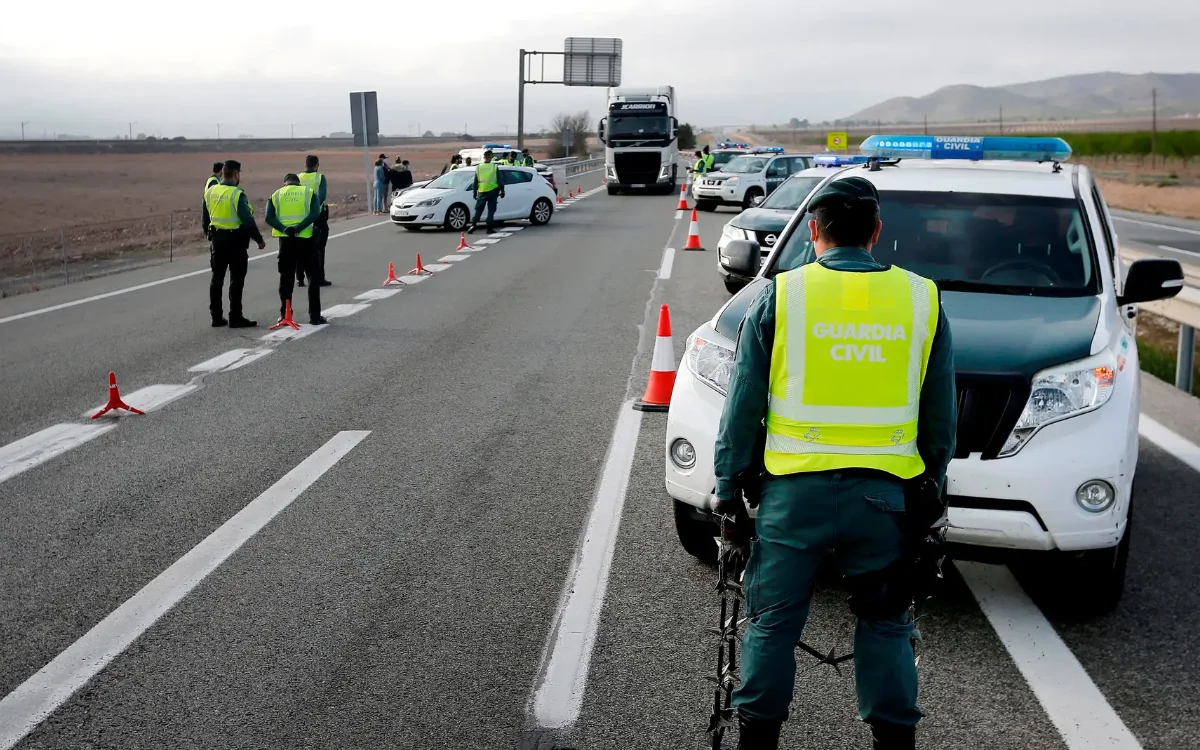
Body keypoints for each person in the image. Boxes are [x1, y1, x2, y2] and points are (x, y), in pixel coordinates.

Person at [712, 176, 956, 749]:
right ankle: (894, 741)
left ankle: (758, 740)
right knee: (886, 621)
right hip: (884, 498)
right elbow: (939, 412)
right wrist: (932, 484)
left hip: (794, 495)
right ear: (876, 232)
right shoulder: (922, 298)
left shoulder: (783, 294)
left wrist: (727, 482)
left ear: (814, 231)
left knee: (771, 624)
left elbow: (744, 399)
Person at [201, 159, 266, 328]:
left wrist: (209, 233)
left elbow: (205, 216)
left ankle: (216, 317)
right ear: (237, 175)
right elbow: (247, 220)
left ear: (222, 173)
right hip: (235, 241)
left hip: (217, 239)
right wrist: (259, 239)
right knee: (236, 281)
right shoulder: (237, 194)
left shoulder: (210, 191)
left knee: (217, 279)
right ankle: (235, 316)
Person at [265, 173, 326, 326]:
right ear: (298, 183)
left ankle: (285, 315)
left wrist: (285, 229)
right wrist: (299, 228)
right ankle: (315, 316)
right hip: (306, 240)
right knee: (312, 277)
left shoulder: (276, 194)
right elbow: (315, 214)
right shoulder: (308, 192)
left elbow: (268, 217)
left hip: (286, 242)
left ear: (285, 183)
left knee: (286, 278)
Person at [297, 154, 331, 288]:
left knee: (300, 247)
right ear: (317, 165)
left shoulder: (298, 177)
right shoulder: (320, 178)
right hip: (317, 216)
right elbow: (322, 196)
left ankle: (300, 278)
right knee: (319, 248)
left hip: (301, 216)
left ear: (305, 165)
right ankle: (319, 277)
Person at [467, 150, 505, 235]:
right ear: (491, 157)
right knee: (491, 210)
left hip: (482, 191)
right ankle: (489, 228)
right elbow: (500, 180)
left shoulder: (479, 167)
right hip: (492, 192)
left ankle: (473, 225)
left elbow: (475, 181)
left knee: (478, 210)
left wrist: (474, 191)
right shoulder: (494, 167)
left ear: (484, 157)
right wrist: (502, 190)